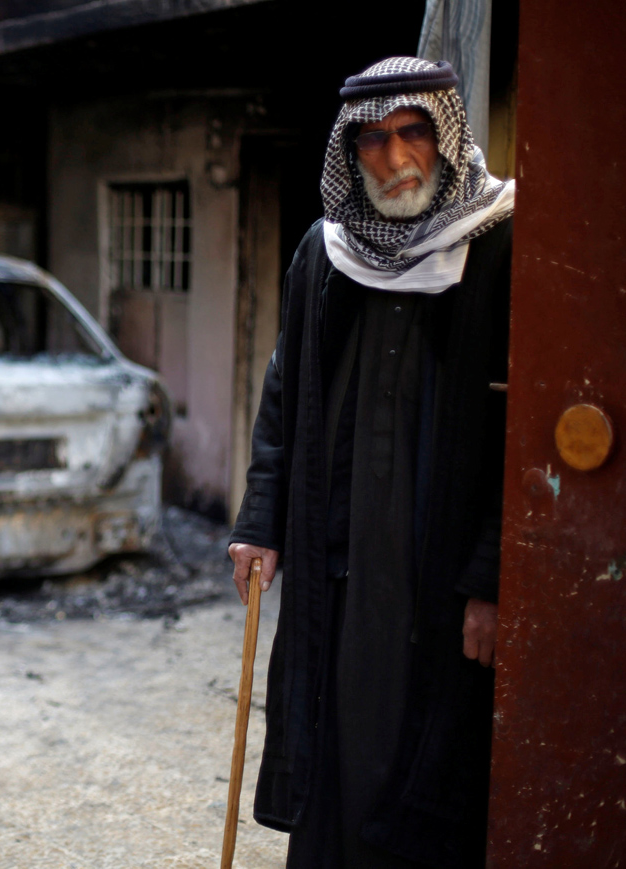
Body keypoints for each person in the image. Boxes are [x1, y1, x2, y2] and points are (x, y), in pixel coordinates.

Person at [227, 57, 515, 868]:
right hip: (342, 569)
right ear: (350, 154)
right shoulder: (326, 254)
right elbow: (284, 392)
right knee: (336, 749)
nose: (394, 160)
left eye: (412, 134)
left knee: (437, 765)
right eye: (374, 142)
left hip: (442, 573)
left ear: (446, 137)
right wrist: (260, 521)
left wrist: (492, 579)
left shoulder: (502, 246)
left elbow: (525, 431)